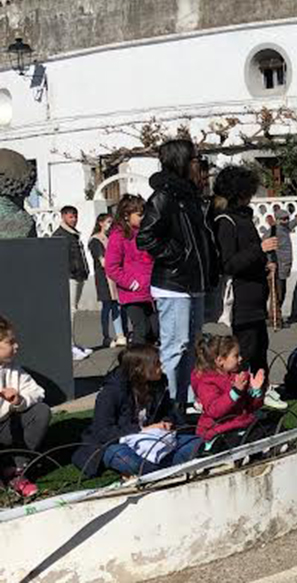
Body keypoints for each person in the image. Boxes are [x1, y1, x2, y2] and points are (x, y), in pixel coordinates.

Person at [137, 139, 218, 408]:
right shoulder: (164, 196)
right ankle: (171, 404)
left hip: (193, 283)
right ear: (182, 162)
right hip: (173, 284)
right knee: (176, 346)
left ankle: (188, 399)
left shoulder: (190, 196)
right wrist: (178, 256)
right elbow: (146, 237)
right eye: (196, 160)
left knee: (192, 345)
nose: (201, 167)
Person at [213, 166, 285, 410]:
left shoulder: (244, 218)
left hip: (256, 296)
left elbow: (250, 257)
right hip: (241, 300)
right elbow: (229, 263)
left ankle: (262, 389)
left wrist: (265, 263)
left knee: (260, 348)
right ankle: (240, 393)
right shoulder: (226, 222)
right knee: (245, 351)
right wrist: (260, 250)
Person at [72, 344, 202, 477]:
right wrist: (142, 430)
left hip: (155, 440)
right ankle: (164, 467)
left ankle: (154, 470)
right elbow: (102, 432)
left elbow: (169, 412)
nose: (161, 366)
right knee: (129, 461)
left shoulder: (159, 383)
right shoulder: (112, 392)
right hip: (119, 444)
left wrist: (166, 422)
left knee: (197, 443)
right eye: (156, 364)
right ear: (140, 369)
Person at [192, 334, 279, 451]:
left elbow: (250, 407)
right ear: (220, 361)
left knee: (270, 427)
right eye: (236, 356)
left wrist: (256, 391)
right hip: (220, 430)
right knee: (234, 443)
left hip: (241, 425)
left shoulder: (238, 377)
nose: (240, 359)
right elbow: (214, 410)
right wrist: (235, 392)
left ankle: (274, 445)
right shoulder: (207, 383)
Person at [0, 316, 50, 498]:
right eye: (10, 342)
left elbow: (38, 392)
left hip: (6, 426)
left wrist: (19, 400)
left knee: (41, 411)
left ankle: (16, 471)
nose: (16, 346)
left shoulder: (13, 368)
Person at [106, 194, 158, 345]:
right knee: (141, 329)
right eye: (140, 215)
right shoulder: (118, 236)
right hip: (133, 293)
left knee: (154, 330)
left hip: (151, 291)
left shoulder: (146, 233)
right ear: (126, 215)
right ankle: (135, 365)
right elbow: (112, 267)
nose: (143, 218)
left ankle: (148, 362)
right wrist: (132, 283)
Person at [54, 205, 92, 361]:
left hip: (78, 276)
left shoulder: (73, 234)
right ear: (63, 217)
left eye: (75, 216)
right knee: (70, 312)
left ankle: (73, 345)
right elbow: (57, 259)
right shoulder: (60, 235)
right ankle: (68, 347)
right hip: (69, 277)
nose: (74, 219)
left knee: (73, 310)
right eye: (71, 217)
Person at [89, 212, 127, 348]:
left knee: (117, 305)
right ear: (101, 223)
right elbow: (102, 261)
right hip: (103, 278)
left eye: (112, 222)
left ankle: (120, 334)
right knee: (107, 307)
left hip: (114, 276)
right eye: (108, 222)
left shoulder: (110, 238)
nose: (111, 225)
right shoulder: (95, 240)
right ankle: (106, 336)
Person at [266, 208, 297, 323]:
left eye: (287, 218)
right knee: (276, 294)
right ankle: (275, 319)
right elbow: (266, 247)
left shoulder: (283, 228)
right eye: (283, 219)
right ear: (277, 220)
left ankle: (275, 317)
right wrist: (269, 262)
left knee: (281, 293)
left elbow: (290, 225)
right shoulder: (273, 231)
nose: (286, 221)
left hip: (283, 268)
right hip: (275, 267)